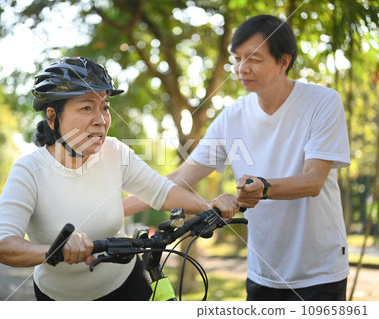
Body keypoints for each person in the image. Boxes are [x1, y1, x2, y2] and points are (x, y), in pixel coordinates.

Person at [124, 15, 351, 301]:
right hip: (262, 271)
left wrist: (265, 187)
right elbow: (178, 180)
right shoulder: (231, 117)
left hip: (319, 272)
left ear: (284, 61)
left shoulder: (322, 102)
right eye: (237, 58)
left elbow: (313, 181)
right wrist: (115, 210)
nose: (242, 69)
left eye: (254, 59)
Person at [0, 57, 239, 301]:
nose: (101, 119)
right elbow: (1, 245)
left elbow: (162, 192)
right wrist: (57, 250)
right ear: (53, 116)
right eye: (87, 107)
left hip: (126, 285)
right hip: (59, 298)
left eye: (105, 107)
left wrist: (211, 205)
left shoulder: (115, 151)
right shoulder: (29, 171)